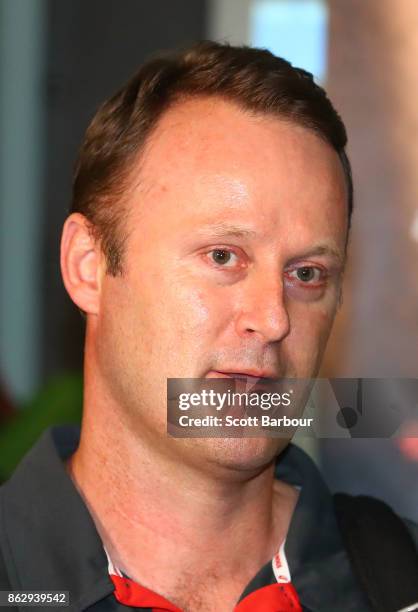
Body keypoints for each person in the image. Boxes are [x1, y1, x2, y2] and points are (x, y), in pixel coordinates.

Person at [0, 41, 417, 612]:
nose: (272, 320)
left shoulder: (397, 582)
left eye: (307, 273)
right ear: (88, 268)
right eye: (223, 256)